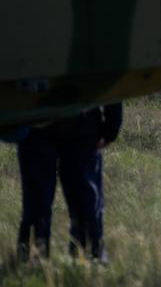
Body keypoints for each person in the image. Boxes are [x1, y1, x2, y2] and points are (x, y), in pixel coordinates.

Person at [15, 103, 122, 262]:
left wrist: (112, 124)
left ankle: (88, 259)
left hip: (71, 117)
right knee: (39, 199)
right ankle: (34, 260)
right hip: (40, 118)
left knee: (84, 197)